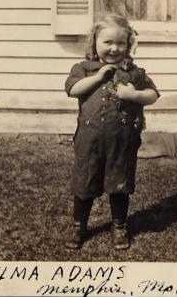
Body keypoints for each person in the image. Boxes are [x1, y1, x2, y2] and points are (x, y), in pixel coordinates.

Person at [64, 14, 160, 250]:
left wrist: (134, 96)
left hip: (122, 142)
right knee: (84, 185)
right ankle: (79, 226)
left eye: (121, 43)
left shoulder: (135, 73)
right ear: (94, 42)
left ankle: (119, 225)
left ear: (129, 45)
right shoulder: (84, 69)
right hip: (90, 142)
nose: (115, 48)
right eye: (108, 42)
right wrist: (98, 77)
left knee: (120, 185)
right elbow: (73, 90)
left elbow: (153, 94)